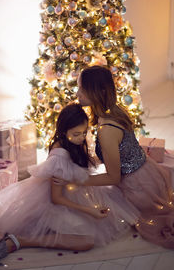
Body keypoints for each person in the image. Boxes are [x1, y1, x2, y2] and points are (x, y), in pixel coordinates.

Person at [0, 103, 139, 267]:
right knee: (86, 241)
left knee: (118, 212)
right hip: (58, 203)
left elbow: (84, 167)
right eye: (76, 134)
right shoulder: (59, 156)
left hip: (76, 193)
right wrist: (89, 210)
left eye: (84, 132)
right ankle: (22, 241)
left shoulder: (76, 143)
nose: (82, 137)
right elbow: (56, 198)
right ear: (64, 131)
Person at [53, 65, 174, 249]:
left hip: (138, 189)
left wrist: (76, 180)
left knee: (93, 205)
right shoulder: (115, 110)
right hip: (148, 174)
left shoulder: (106, 130)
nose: (77, 94)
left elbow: (113, 177)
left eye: (82, 89)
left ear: (96, 91)